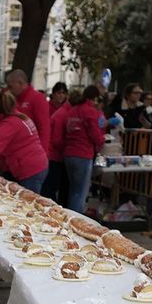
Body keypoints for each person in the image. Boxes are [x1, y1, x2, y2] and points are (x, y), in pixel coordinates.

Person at [61, 84, 106, 213]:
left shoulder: (72, 110)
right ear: (95, 98)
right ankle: (76, 221)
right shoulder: (90, 111)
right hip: (83, 154)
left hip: (69, 154)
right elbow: (95, 136)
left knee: (74, 190)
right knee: (80, 193)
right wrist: (103, 139)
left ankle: (69, 217)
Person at [42, 81, 70, 204]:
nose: (61, 96)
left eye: (63, 93)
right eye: (59, 93)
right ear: (53, 94)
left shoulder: (65, 110)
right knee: (50, 184)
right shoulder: (47, 108)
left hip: (61, 154)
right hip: (51, 152)